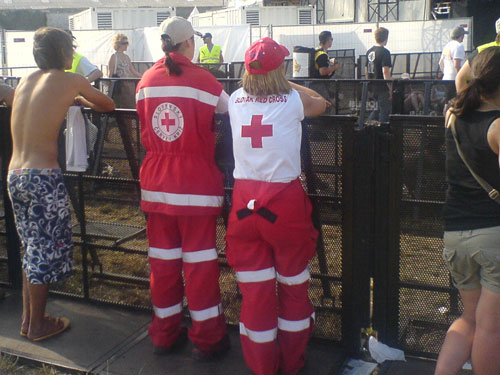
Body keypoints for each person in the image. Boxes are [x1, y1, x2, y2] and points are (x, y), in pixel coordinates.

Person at [226, 37, 327, 375]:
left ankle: (261, 367)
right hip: (284, 204)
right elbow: (321, 102)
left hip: (243, 204)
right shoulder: (291, 101)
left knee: (255, 293)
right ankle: (292, 362)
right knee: (294, 288)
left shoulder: (237, 99)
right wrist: (286, 81)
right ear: (280, 70)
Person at [7, 27, 114, 342]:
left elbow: (17, 102)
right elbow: (106, 104)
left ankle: (29, 321)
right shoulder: (71, 80)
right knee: (43, 251)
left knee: (31, 248)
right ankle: (38, 325)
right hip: (43, 177)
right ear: (65, 52)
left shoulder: (26, 80)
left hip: (16, 175)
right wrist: (78, 96)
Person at [135, 16, 229, 359]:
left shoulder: (145, 80)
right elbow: (232, 110)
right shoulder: (204, 80)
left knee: (162, 264)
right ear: (189, 43)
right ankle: (208, 339)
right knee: (200, 266)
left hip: (156, 187)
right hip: (195, 189)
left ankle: (164, 334)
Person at [435, 46, 500, 375]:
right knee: (492, 329)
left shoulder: (455, 115)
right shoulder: (498, 125)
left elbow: (461, 81)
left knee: (469, 319)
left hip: (455, 232)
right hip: (493, 236)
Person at [456, 17, 500, 92]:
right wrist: (468, 102)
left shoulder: (482, 50)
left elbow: (461, 78)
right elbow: (461, 78)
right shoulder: (483, 50)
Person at [365, 27, 392, 123]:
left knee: (376, 109)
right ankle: (382, 130)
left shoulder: (369, 52)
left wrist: (368, 86)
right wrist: (390, 88)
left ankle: (367, 125)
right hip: (382, 86)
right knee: (384, 110)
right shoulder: (385, 52)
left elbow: (366, 70)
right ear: (386, 38)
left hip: (372, 86)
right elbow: (385, 72)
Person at [108, 34, 142, 109]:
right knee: (120, 107)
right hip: (119, 88)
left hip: (128, 87)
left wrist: (145, 77)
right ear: (118, 44)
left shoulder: (127, 57)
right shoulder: (114, 57)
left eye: (127, 43)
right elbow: (110, 74)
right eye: (124, 43)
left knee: (130, 106)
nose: (126, 45)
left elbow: (133, 71)